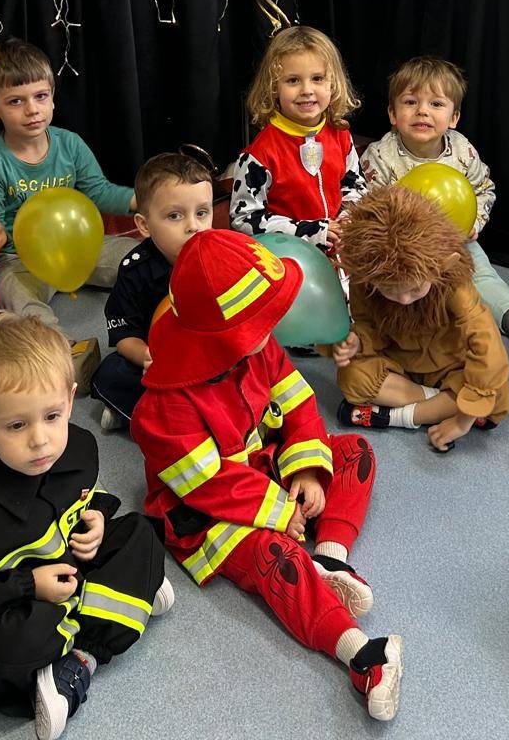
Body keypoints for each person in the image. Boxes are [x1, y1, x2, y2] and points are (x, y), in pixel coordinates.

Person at [131, 230, 405, 721]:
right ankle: (361, 654)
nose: (274, 327)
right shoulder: (164, 406)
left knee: (354, 452)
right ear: (220, 339)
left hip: (262, 469)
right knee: (275, 557)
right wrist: (280, 512)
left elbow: (297, 403)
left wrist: (308, 471)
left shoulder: (257, 349)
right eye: (261, 320)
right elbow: (206, 485)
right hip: (208, 514)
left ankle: (331, 559)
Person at [0, 314, 170, 740]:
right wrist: (28, 587)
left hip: (65, 567)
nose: (41, 440)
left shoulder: (77, 445)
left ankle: (82, 654)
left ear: (70, 399)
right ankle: (104, 618)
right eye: (16, 425)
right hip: (10, 601)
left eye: (52, 415)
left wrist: (97, 519)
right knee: (13, 646)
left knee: (141, 533)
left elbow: (86, 493)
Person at [359, 56, 509, 347]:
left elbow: (484, 189)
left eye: (436, 104)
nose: (422, 111)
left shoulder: (462, 151)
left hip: (455, 238)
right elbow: (369, 208)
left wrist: (473, 223)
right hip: (404, 250)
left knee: (481, 273)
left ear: (453, 118)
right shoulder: (380, 157)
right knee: (399, 291)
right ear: (392, 113)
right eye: (410, 102)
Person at [327, 184, 509, 452]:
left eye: (415, 288)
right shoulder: (366, 277)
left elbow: (486, 344)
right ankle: (441, 403)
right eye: (390, 290)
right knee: (351, 376)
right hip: (401, 364)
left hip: (452, 366)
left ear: (438, 267)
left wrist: (462, 421)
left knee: (496, 389)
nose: (404, 299)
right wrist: (358, 341)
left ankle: (399, 416)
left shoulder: (452, 281)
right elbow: (367, 325)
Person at [0, 40, 137, 323]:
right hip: (19, 260)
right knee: (18, 302)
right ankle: (59, 346)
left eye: (41, 96)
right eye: (16, 101)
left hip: (79, 246)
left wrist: (143, 200)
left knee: (141, 258)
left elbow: (99, 192)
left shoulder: (70, 144)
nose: (32, 109)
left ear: (52, 98)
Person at [90, 153, 216, 433]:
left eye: (202, 213)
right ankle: (148, 413)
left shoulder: (221, 256)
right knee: (110, 374)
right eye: (174, 216)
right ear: (144, 226)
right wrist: (149, 357)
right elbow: (124, 336)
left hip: (210, 354)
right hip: (159, 359)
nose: (193, 226)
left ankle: (187, 413)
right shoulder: (135, 270)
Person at [229, 25, 366, 251]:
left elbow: (355, 184)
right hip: (288, 258)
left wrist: (349, 215)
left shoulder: (341, 134)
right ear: (274, 87)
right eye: (293, 80)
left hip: (342, 251)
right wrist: (310, 231)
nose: (307, 90)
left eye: (317, 78)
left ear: (333, 84)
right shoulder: (259, 155)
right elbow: (244, 219)